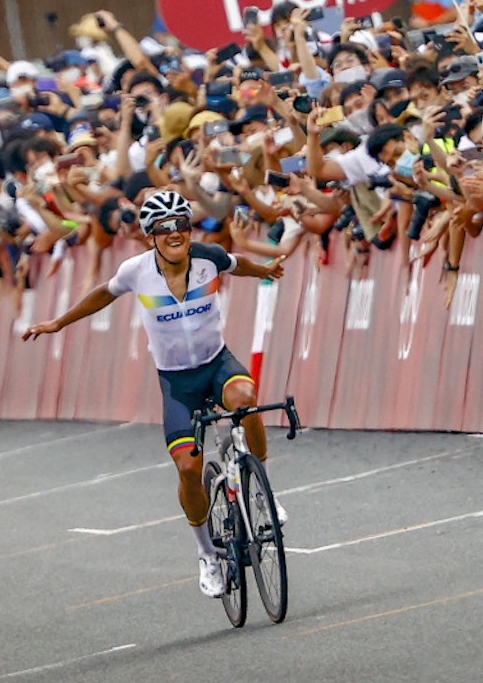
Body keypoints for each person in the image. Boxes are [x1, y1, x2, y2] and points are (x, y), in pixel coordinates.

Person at [20, 190, 286, 599]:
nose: (175, 232)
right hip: (177, 382)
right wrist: (58, 322)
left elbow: (240, 265)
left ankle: (264, 488)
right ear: (150, 237)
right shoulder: (135, 271)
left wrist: (266, 269)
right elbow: (102, 295)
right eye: (164, 228)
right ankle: (207, 556)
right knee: (185, 468)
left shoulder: (208, 257)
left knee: (246, 398)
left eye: (181, 224)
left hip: (217, 364)